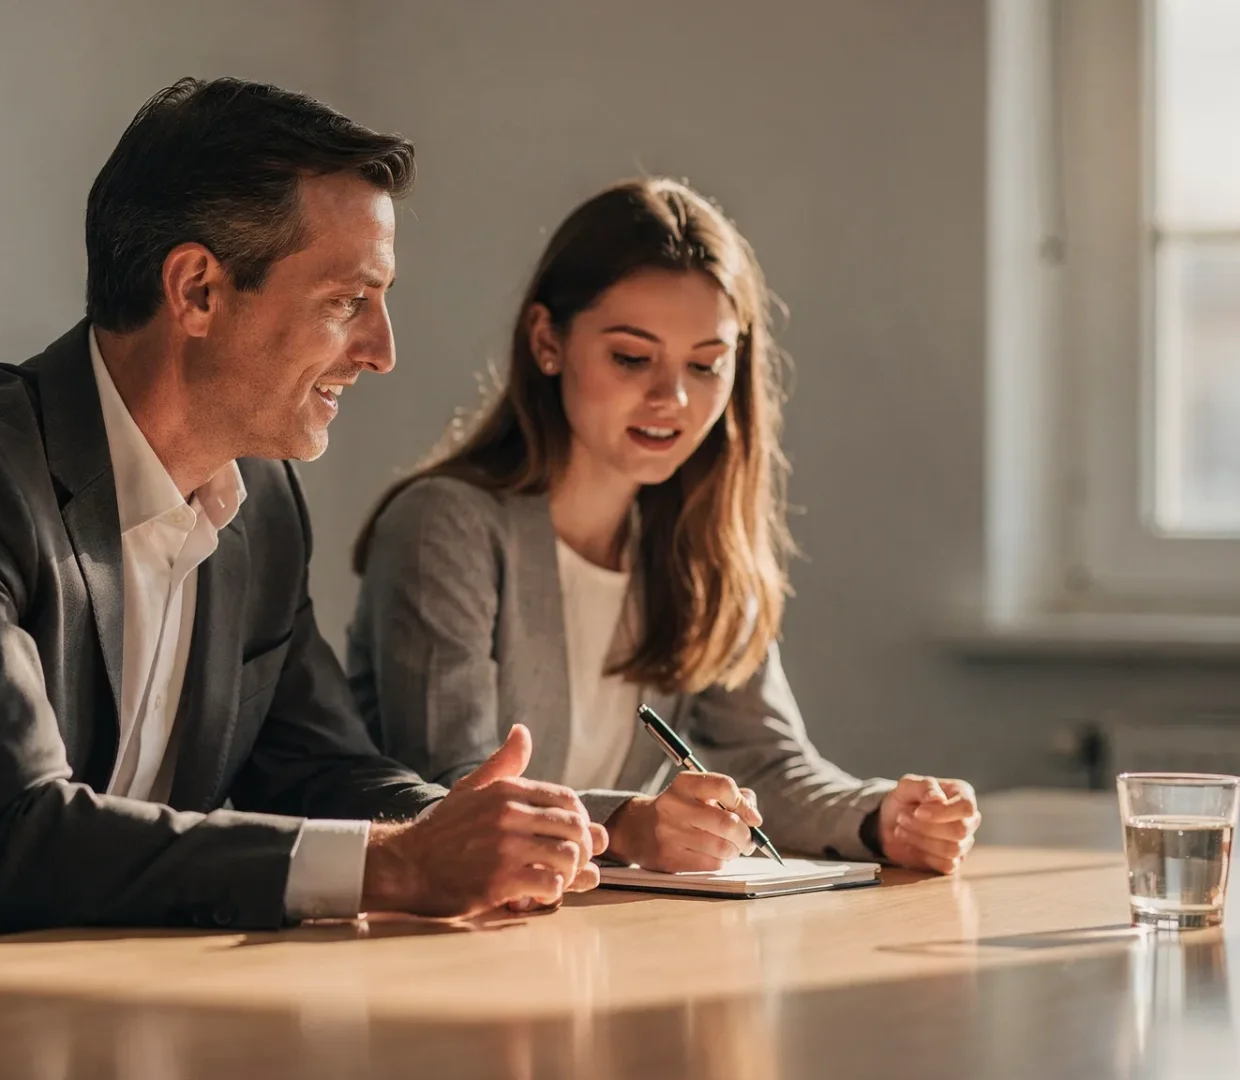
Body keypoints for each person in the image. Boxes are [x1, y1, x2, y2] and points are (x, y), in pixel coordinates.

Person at [0, 77, 606, 987]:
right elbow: (12, 838)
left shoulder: (261, 505)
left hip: (49, 1007)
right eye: (349, 302)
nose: (381, 351)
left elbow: (316, 768)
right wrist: (395, 866)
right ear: (197, 290)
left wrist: (505, 827)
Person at [347, 177, 979, 875]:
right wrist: (628, 827)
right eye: (631, 357)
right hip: (441, 921)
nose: (671, 397)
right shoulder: (446, 527)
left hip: (601, 922)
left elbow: (765, 767)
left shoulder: (701, 545)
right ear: (547, 341)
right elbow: (454, 788)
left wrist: (883, 816)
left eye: (706, 365)